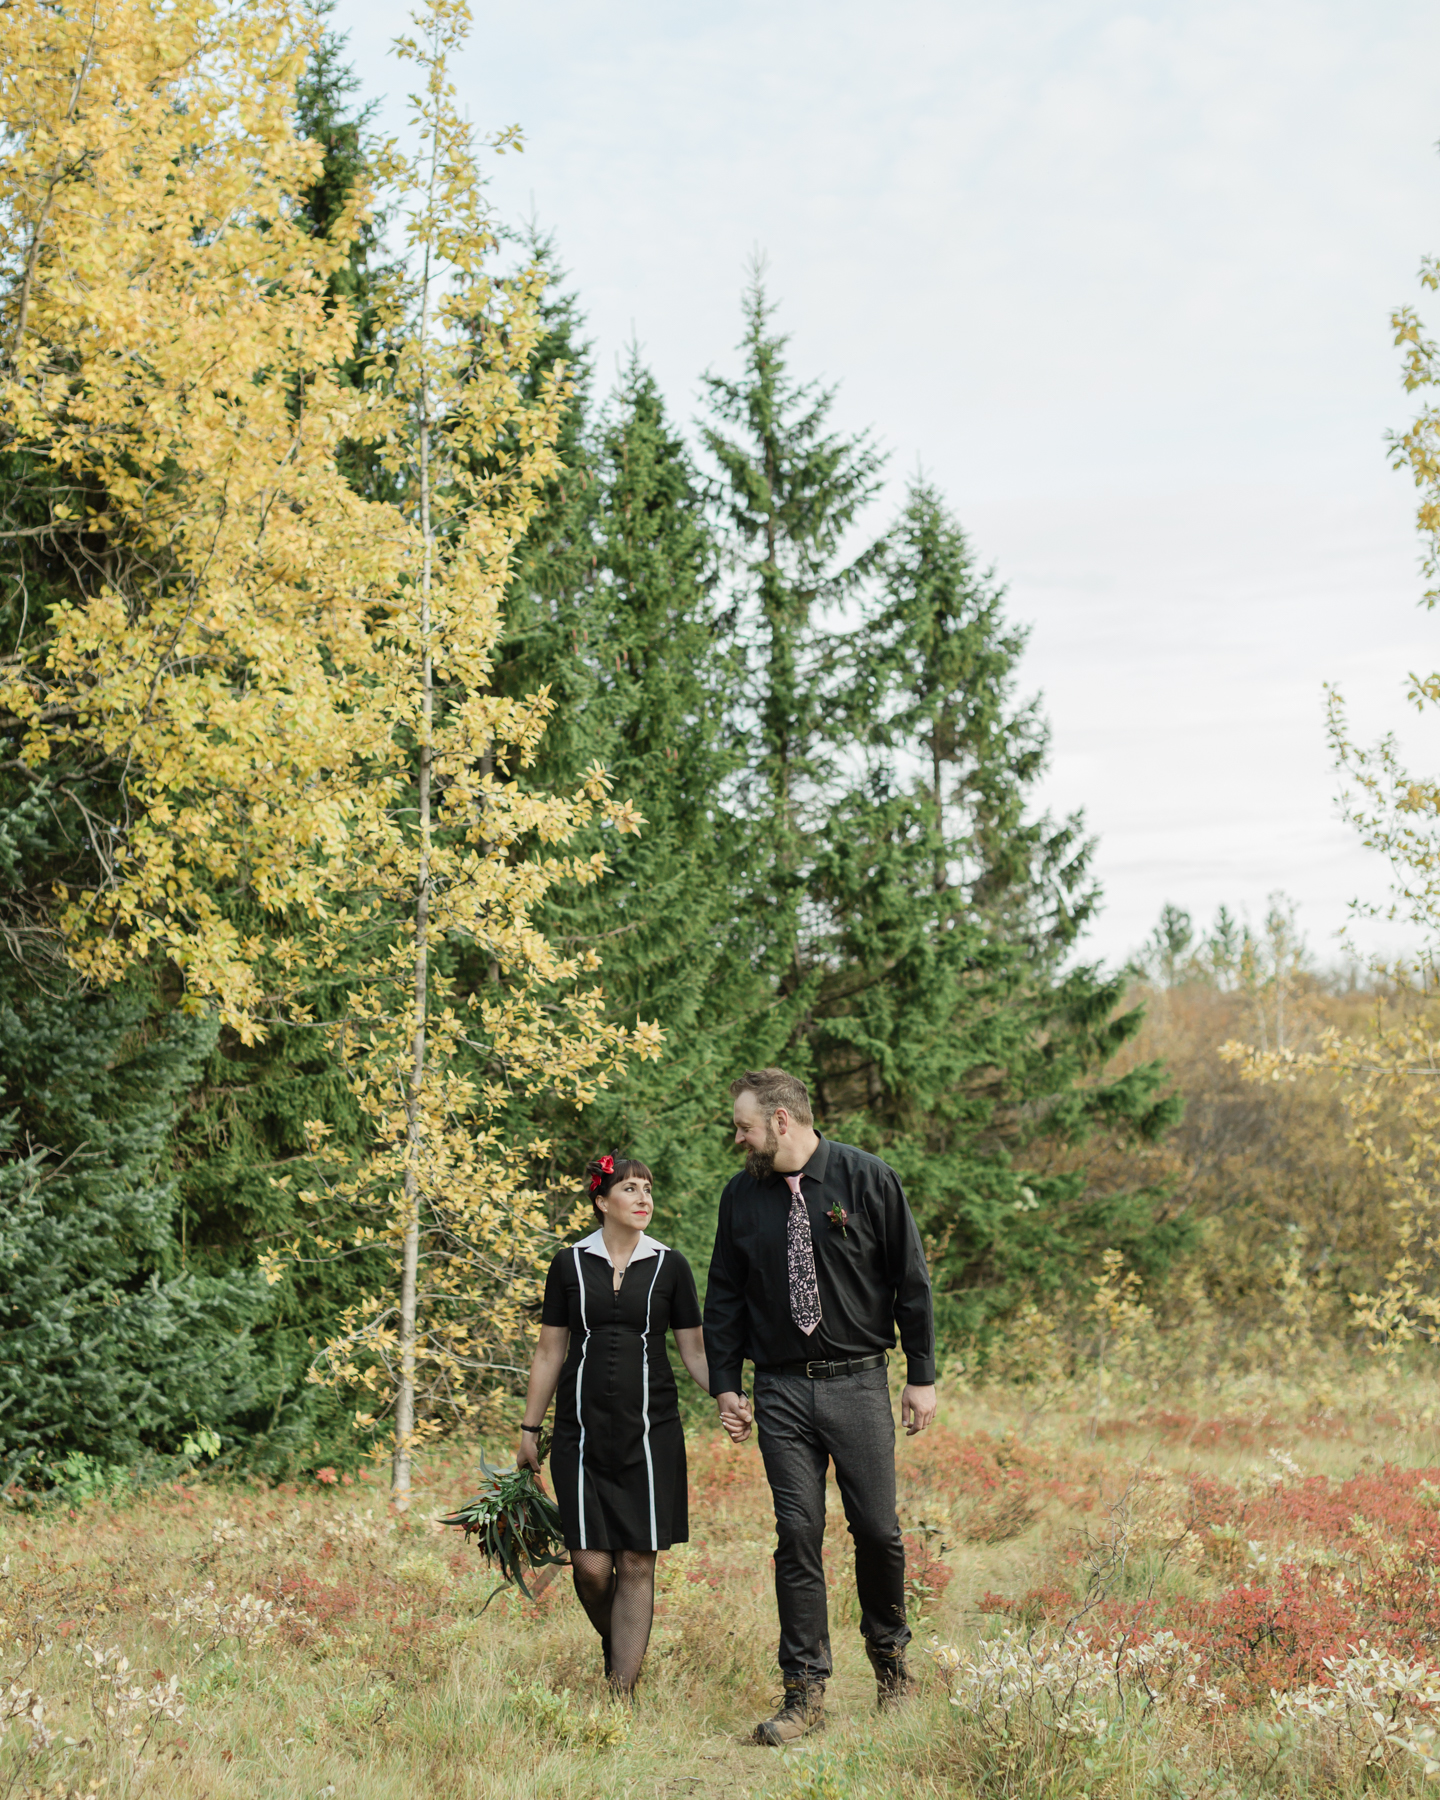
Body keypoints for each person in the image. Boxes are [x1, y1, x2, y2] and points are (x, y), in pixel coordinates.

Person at [704, 1068, 937, 1745]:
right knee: (797, 1536)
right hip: (779, 1391)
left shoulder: (869, 1179)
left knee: (878, 1532)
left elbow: (911, 1281)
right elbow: (723, 1295)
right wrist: (727, 1384)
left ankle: (892, 1668)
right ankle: (804, 1694)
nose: (738, 1137)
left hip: (858, 1383)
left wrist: (920, 1376)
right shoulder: (741, 1197)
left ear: (780, 1121)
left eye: (745, 1125)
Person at [517, 1154, 746, 1695]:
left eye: (648, 1188)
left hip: (650, 1433)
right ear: (602, 1201)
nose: (643, 1198)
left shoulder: (672, 1266)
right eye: (630, 1189)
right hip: (580, 1433)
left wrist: (727, 1393)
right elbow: (550, 1351)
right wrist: (529, 1430)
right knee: (592, 1567)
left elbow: (693, 1350)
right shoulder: (568, 1264)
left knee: (637, 1562)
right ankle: (621, 1642)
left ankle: (620, 1694)